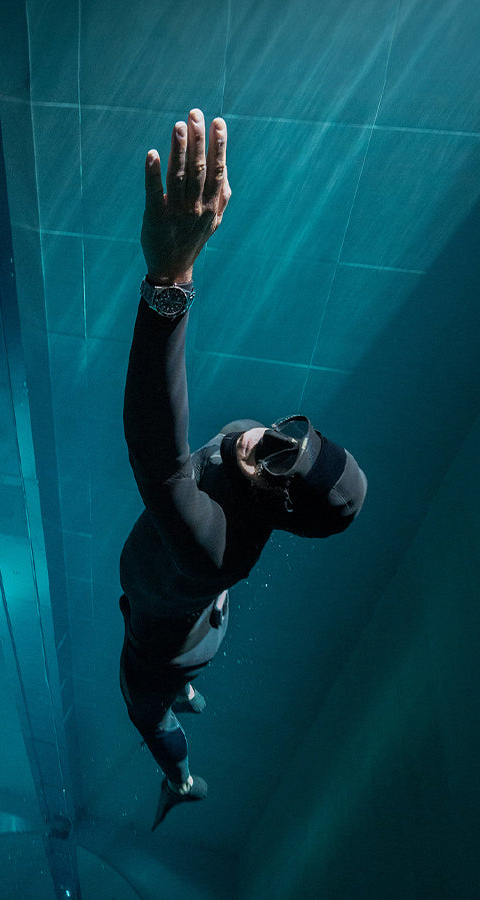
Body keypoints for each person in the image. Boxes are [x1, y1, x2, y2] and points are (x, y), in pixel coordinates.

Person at [118, 108, 369, 830]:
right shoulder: (250, 460)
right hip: (196, 616)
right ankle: (187, 684)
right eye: (296, 435)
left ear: (280, 507)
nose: (267, 442)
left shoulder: (209, 544)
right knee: (178, 644)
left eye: (283, 464)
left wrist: (170, 278)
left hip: (169, 642)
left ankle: (183, 778)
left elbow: (155, 450)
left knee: (142, 709)